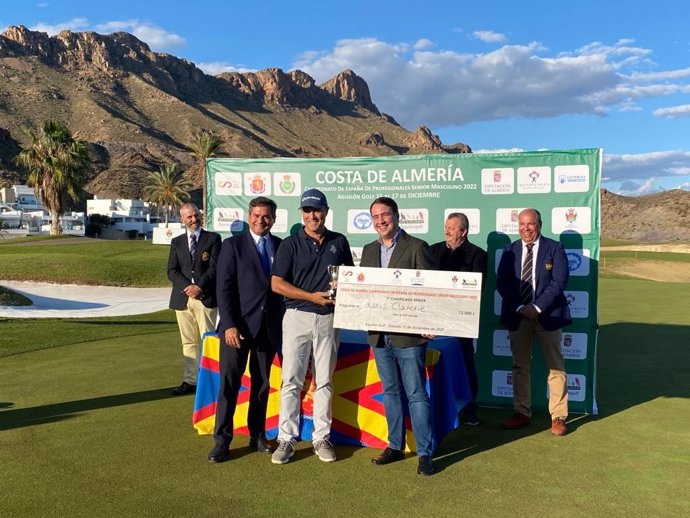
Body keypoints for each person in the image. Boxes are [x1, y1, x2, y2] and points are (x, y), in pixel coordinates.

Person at [269, 188, 354, 464]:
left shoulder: (339, 241)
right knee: (291, 380)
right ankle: (286, 439)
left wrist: (344, 286)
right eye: (307, 211)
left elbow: (350, 277)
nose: (312, 215)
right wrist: (309, 296)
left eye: (316, 210)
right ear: (301, 214)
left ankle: (321, 437)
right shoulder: (290, 244)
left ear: (326, 212)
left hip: (329, 318)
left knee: (325, 381)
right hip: (296, 316)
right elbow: (276, 283)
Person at [360, 197, 436, 476]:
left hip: (408, 338)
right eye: (375, 216)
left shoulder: (417, 247)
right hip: (379, 337)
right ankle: (394, 445)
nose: (380, 221)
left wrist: (430, 322)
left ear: (396, 216)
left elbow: (431, 289)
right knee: (390, 392)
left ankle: (425, 453)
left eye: (385, 215)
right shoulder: (368, 250)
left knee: (416, 395)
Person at [208, 197, 284, 463]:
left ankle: (257, 434)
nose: (260, 220)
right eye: (256, 215)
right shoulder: (232, 246)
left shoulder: (281, 246)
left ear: (273, 219)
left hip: (268, 329)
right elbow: (224, 288)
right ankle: (222, 441)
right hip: (236, 330)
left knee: (262, 386)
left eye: (266, 216)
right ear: (249, 216)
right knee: (229, 385)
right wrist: (228, 324)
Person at [496, 208, 571, 436]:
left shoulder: (554, 248)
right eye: (521, 224)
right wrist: (521, 307)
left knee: (556, 367)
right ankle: (522, 412)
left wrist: (536, 307)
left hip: (548, 315)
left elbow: (559, 282)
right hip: (518, 316)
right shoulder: (510, 250)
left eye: (530, 224)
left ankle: (558, 416)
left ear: (539, 224)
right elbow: (503, 284)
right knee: (520, 366)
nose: (525, 228)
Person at [430, 212, 487, 426]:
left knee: (465, 364)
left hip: (462, 321)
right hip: (434, 318)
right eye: (446, 227)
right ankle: (438, 406)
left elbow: (478, 288)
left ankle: (469, 409)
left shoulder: (478, 255)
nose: (447, 231)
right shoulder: (433, 250)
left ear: (463, 231)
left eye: (452, 228)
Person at [167, 202, 222, 396]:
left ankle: (210, 380)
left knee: (207, 340)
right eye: (189, 217)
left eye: (196, 215)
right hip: (182, 299)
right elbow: (172, 271)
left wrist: (199, 287)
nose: (194, 219)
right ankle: (190, 381)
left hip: (205, 297)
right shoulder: (177, 242)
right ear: (182, 220)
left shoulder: (213, 239)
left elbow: (215, 268)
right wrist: (187, 288)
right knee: (188, 342)